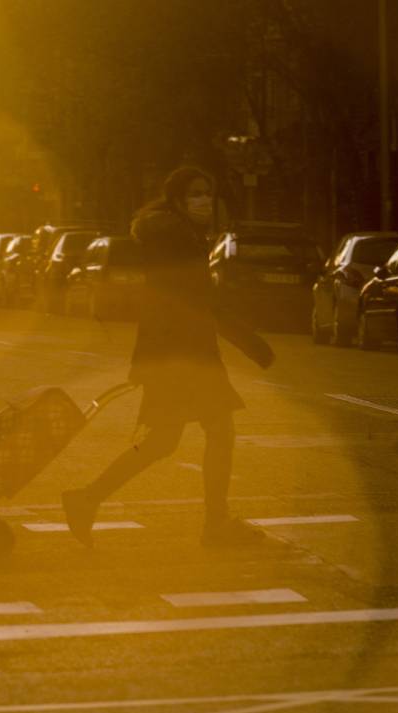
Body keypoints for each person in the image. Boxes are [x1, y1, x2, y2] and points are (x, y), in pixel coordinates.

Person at [61, 166, 274, 547]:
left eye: (208, 192)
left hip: (177, 353)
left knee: (163, 441)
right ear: (177, 199)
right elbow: (197, 301)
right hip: (185, 355)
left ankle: (86, 499)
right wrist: (249, 342)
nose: (204, 199)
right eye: (195, 192)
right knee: (219, 432)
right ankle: (215, 524)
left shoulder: (179, 237)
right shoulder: (178, 242)